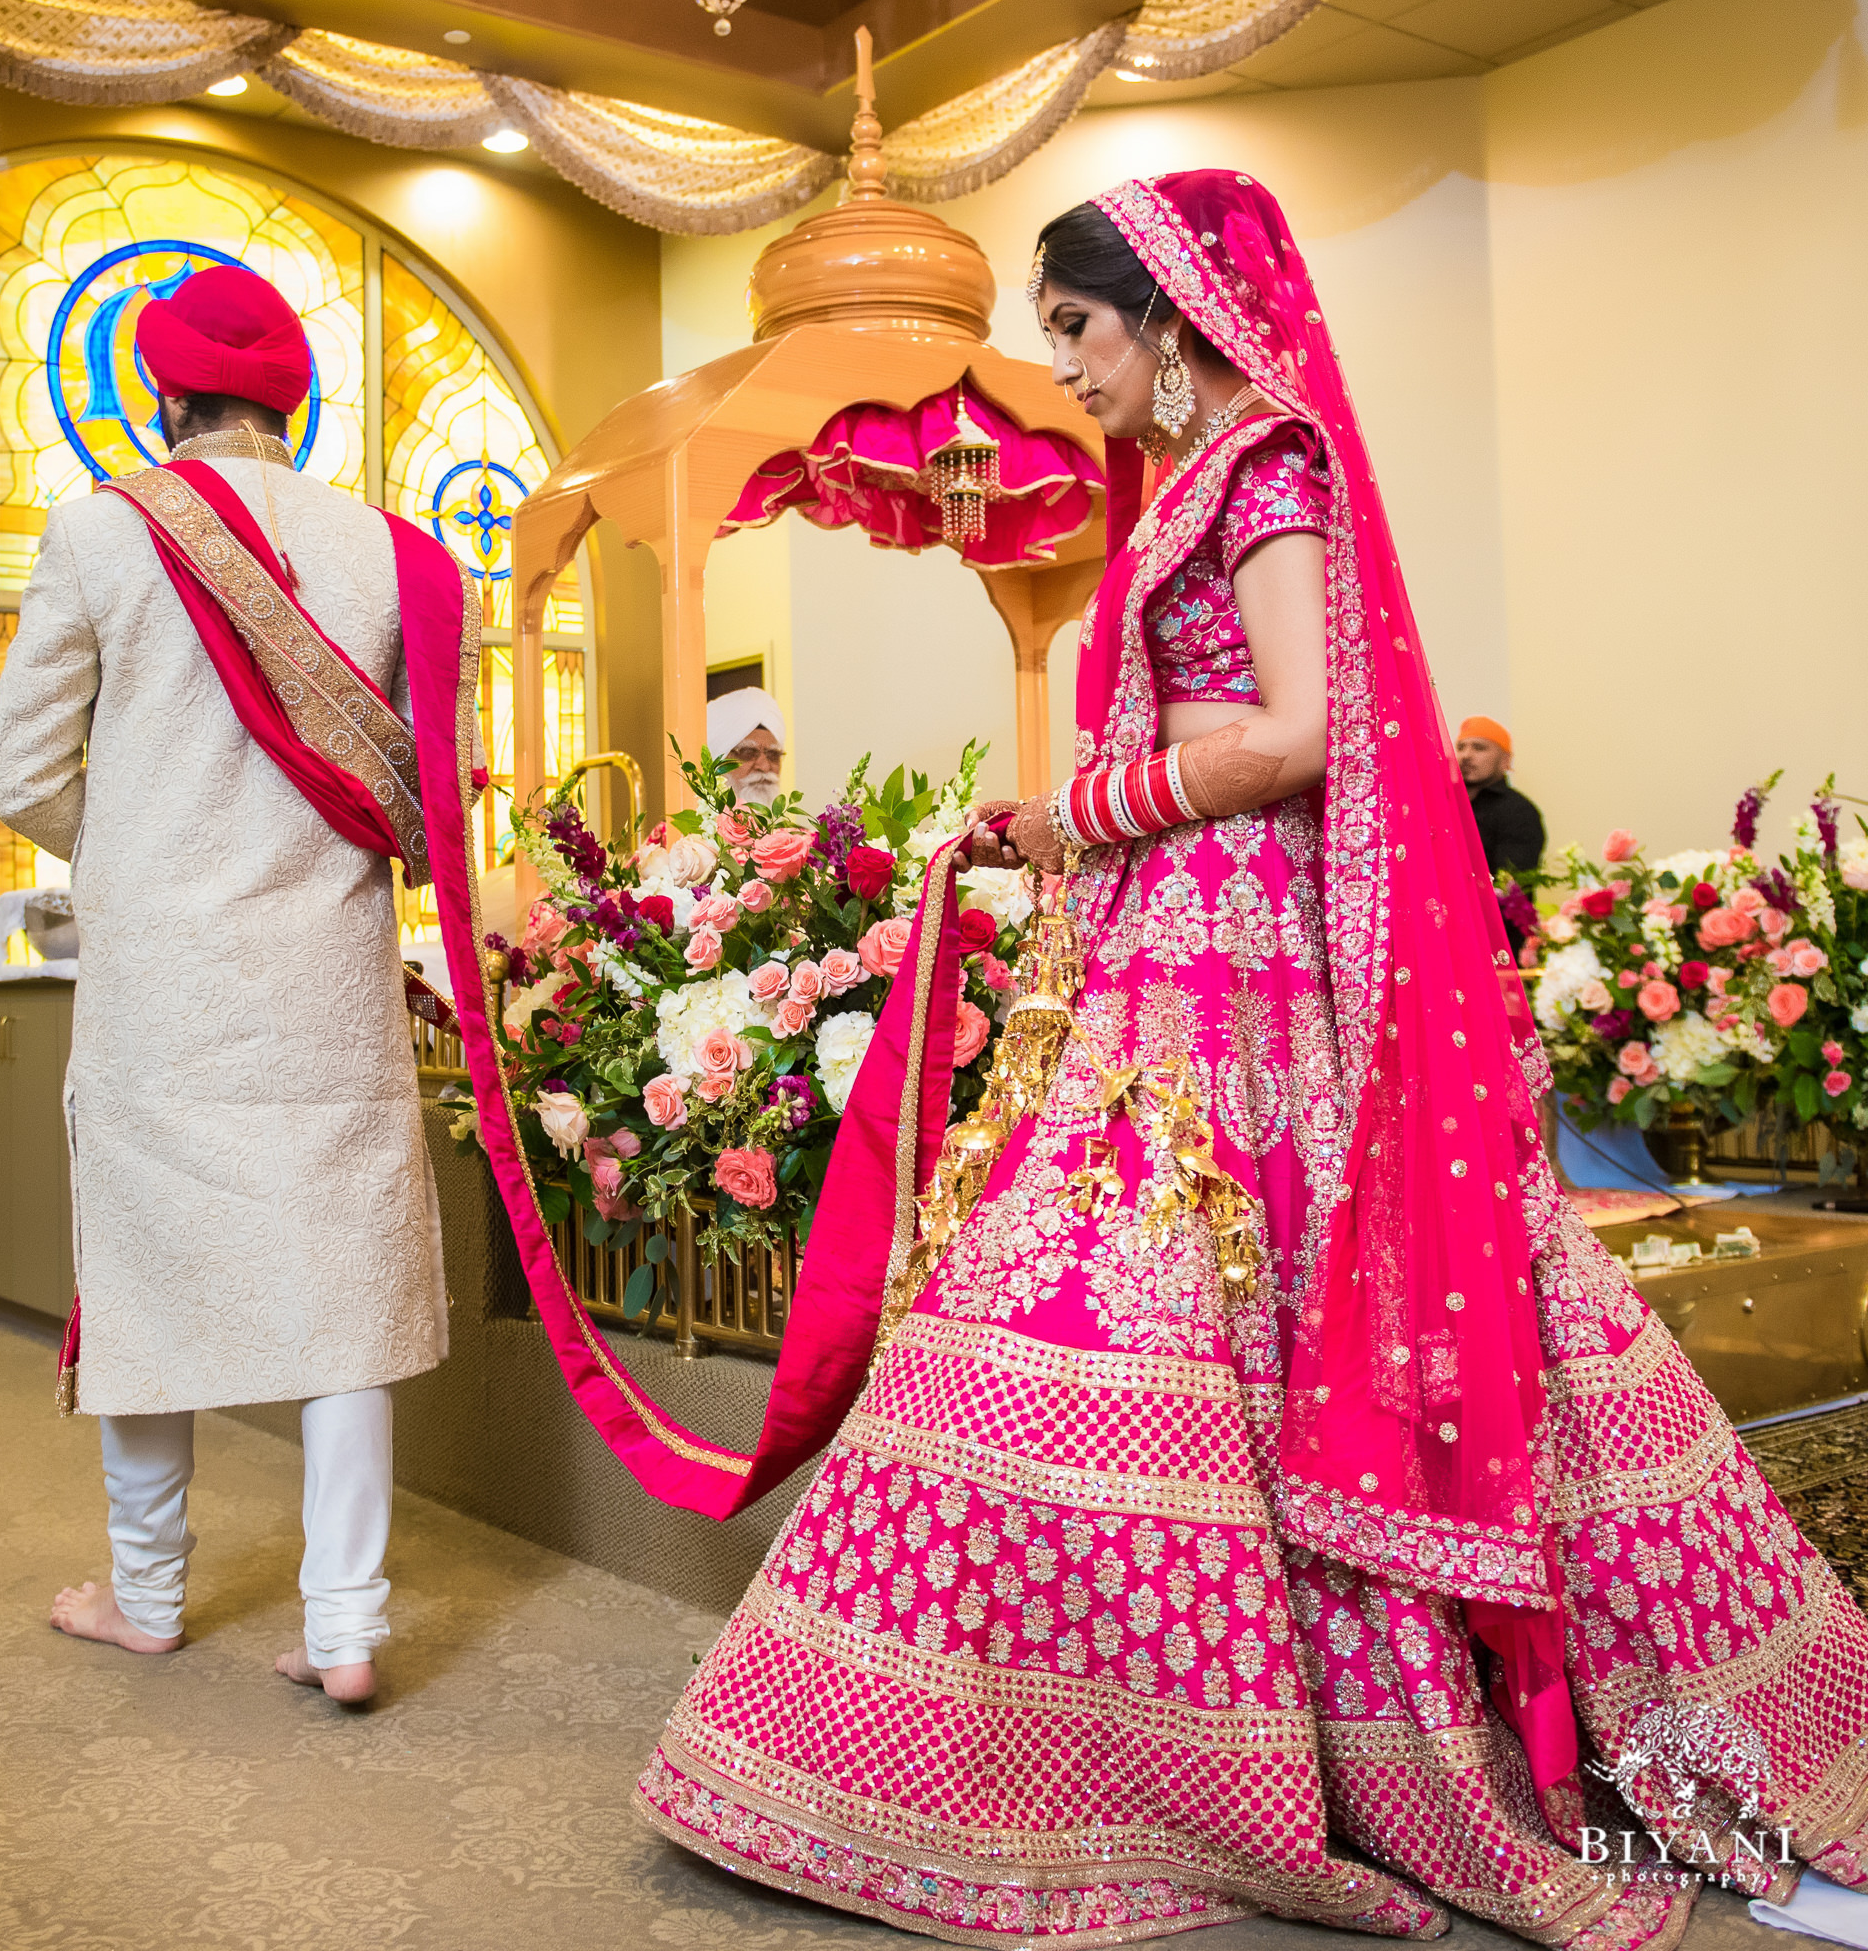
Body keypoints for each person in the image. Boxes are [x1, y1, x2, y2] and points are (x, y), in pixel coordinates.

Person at [637, 173, 1868, 1945]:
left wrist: (1094, 804)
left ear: (1165, 310)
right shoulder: (1191, 485)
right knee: (1101, 1312)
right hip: (1165, 949)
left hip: (1244, 970)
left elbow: (1301, 727)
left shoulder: (1272, 468)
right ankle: (1011, 1750)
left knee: (1249, 1297)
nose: (1065, 370)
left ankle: (1324, 1742)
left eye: (1073, 328)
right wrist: (1068, 830)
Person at [0, 265, 450, 1706]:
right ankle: (349, 1626)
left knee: (146, 1268)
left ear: (161, 391)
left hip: (165, 983)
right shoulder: (397, 554)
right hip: (325, 974)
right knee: (343, 1286)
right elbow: (430, 793)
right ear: (295, 399)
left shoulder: (100, 533)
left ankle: (147, 1595)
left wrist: (129, 845)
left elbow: (16, 775)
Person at [1458, 714, 1546, 877]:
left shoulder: (1519, 811)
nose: (1466, 755)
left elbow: (1511, 889)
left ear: (1505, 760)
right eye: (1461, 747)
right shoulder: (1445, 804)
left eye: (1479, 748)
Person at [705, 685, 786, 806]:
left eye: (773, 755)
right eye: (748, 753)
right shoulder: (688, 824)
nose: (764, 767)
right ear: (717, 760)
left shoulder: (793, 826)